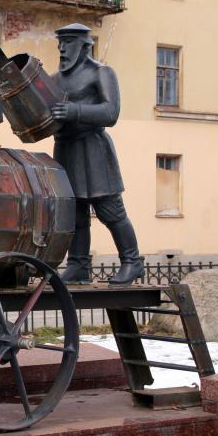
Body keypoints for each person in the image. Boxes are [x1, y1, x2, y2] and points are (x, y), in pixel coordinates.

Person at [50, 23, 144, 286]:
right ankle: (78, 265)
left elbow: (111, 112)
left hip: (93, 149)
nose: (62, 48)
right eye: (60, 42)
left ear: (83, 45)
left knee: (110, 210)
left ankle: (132, 262)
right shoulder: (55, 79)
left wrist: (75, 112)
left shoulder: (101, 73)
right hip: (66, 149)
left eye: (68, 42)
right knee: (75, 212)